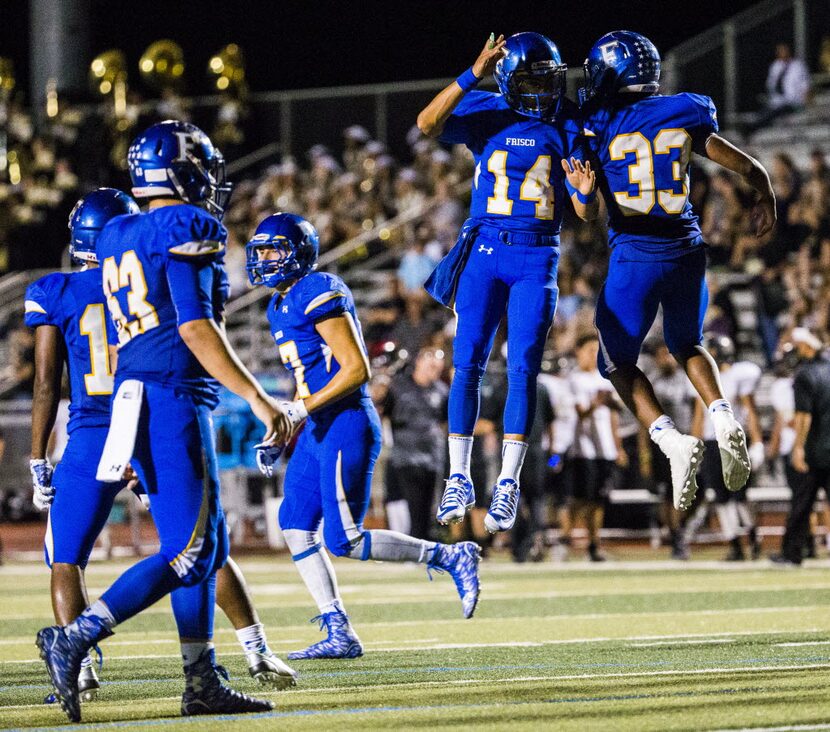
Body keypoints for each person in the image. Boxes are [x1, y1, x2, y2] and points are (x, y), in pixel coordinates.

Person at [35, 121, 287, 722]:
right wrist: (258, 399)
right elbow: (197, 327)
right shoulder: (190, 225)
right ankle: (74, 637)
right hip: (171, 393)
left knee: (206, 544)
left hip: (129, 395)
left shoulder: (120, 229)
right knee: (194, 548)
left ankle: (201, 679)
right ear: (184, 171)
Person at [247, 212, 480, 661]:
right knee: (295, 528)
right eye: (260, 252)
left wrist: (299, 410)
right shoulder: (278, 304)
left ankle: (450, 556)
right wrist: (283, 429)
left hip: (345, 424)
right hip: (317, 427)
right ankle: (338, 629)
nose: (264, 259)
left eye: (272, 249)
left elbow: (357, 369)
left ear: (298, 252)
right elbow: (306, 382)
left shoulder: (318, 289)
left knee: (345, 539)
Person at [578, 30, 776, 515]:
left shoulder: (598, 120)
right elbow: (747, 166)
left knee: (617, 364)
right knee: (689, 344)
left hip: (634, 259)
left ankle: (671, 441)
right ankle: (722, 414)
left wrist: (583, 192)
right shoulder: (683, 110)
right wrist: (765, 193)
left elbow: (585, 214)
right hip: (687, 252)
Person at [417, 32, 598, 534]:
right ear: (509, 80)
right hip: (487, 250)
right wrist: (472, 71)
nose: (543, 87)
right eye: (533, 78)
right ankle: (459, 477)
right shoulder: (487, 106)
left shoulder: (566, 121)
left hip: (537, 255)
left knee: (523, 368)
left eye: (549, 77)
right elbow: (427, 122)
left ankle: (509, 482)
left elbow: (585, 212)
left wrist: (584, 195)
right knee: (467, 363)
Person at [690, 336, 764, 561]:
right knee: (720, 496)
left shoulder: (737, 376)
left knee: (739, 495)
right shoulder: (702, 377)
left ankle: (752, 535)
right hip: (712, 442)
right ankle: (735, 543)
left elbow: (750, 410)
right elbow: (699, 416)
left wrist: (758, 440)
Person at [562, 334, 625, 561]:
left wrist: (618, 446)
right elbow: (580, 413)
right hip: (583, 448)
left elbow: (614, 416)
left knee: (598, 499)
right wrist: (596, 403)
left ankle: (593, 544)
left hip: (604, 448)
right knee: (582, 498)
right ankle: (566, 538)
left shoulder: (604, 379)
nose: (592, 354)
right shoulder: (574, 379)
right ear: (578, 352)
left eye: (595, 350)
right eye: (588, 349)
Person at [773, 328, 830, 566]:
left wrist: (798, 448)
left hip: (814, 451)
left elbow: (803, 417)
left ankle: (792, 553)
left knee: (802, 504)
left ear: (807, 346)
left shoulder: (805, 375)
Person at [381, 347, 448, 540]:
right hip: (405, 456)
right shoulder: (398, 387)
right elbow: (384, 414)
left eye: (437, 366)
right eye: (431, 365)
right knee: (409, 505)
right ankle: (411, 543)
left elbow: (444, 422)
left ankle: (423, 545)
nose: (433, 370)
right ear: (419, 362)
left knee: (428, 506)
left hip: (432, 456)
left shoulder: (442, 391)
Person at [647, 343, 696, 559]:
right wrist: (644, 453)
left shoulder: (688, 378)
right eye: (661, 354)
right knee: (669, 493)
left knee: (692, 491)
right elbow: (644, 419)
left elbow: (697, 412)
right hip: (662, 445)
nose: (666, 359)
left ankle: (679, 531)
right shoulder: (653, 382)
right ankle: (677, 536)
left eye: (668, 353)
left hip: (685, 440)